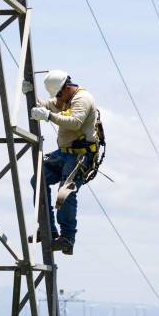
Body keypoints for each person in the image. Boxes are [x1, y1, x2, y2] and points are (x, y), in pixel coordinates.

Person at [29, 70, 99, 255]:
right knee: (37, 180)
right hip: (63, 154)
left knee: (65, 193)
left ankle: (67, 238)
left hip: (80, 156)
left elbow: (75, 122)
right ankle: (48, 230)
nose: (57, 99)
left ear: (67, 87)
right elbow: (44, 106)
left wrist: (49, 116)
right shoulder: (63, 98)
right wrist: (28, 93)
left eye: (59, 94)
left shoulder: (82, 99)